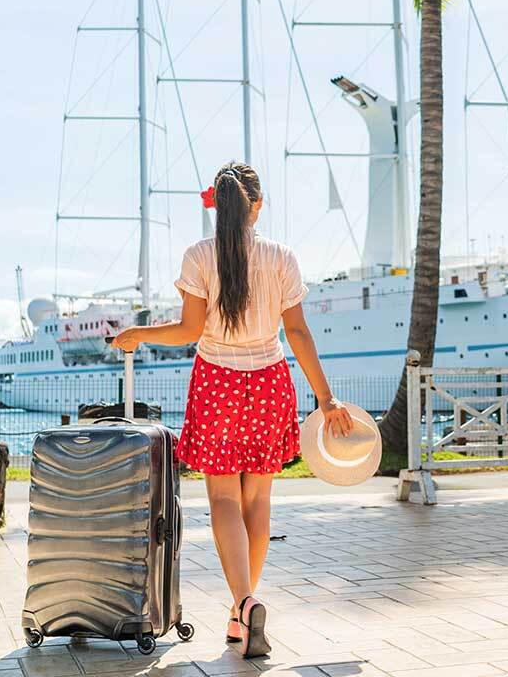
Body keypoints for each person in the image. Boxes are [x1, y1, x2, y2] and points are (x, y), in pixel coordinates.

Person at [112, 161, 353, 659]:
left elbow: (188, 332)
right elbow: (299, 334)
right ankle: (240, 611)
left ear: (216, 207)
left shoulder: (199, 256)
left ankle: (243, 603)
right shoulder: (282, 257)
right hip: (269, 383)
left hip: (217, 383)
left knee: (222, 500)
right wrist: (325, 400)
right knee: (257, 502)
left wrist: (139, 334)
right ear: (257, 206)